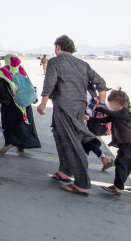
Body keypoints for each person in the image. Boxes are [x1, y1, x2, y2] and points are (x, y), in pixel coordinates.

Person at [37, 35, 107, 197]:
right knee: (59, 136)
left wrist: (43, 103)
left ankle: (82, 184)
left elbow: (49, 83)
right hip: (78, 108)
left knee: (72, 142)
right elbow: (101, 82)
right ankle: (65, 171)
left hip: (64, 108)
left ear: (58, 48)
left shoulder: (56, 62)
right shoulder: (83, 64)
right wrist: (101, 102)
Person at [93, 89, 131, 196]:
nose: (111, 106)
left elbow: (111, 114)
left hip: (130, 143)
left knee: (121, 163)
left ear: (121, 103)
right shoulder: (117, 114)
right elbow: (105, 119)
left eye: (113, 104)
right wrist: (90, 118)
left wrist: (101, 109)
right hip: (130, 143)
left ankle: (118, 187)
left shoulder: (126, 114)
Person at [0, 55, 41, 154]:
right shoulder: (22, 70)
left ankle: (9, 142)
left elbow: (1, 89)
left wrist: (3, 101)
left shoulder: (3, 71)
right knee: (23, 124)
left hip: (11, 104)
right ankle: (23, 144)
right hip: (24, 103)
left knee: (9, 124)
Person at [84, 83, 114, 171]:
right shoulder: (92, 92)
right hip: (94, 122)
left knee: (86, 142)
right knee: (86, 143)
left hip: (90, 122)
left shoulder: (85, 92)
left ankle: (103, 158)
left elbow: (87, 108)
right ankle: (103, 159)